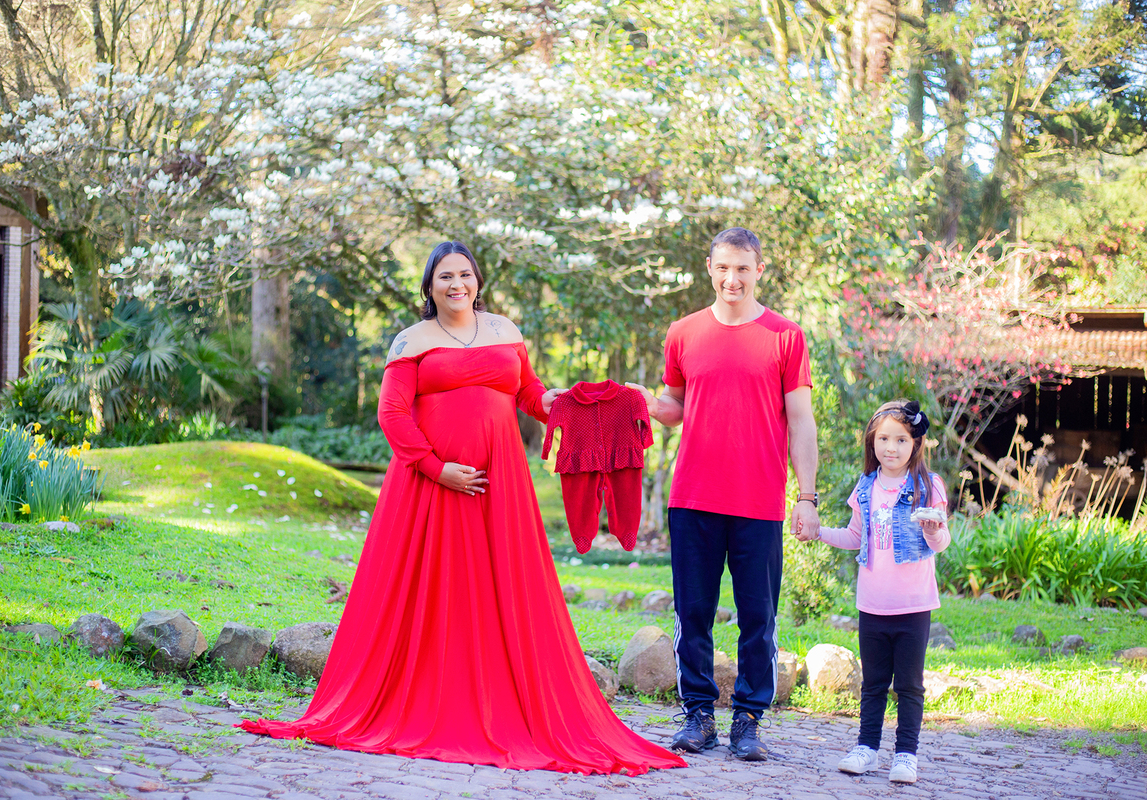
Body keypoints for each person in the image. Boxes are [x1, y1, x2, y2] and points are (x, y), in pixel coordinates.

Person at [239, 241, 685, 776]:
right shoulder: (411, 341)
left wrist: (586, 402)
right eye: (445, 277)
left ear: (478, 281)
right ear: (428, 286)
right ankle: (428, 695)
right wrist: (435, 467)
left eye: (466, 275)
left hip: (500, 485)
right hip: (429, 487)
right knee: (431, 587)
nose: (457, 285)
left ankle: (502, 698)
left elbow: (531, 396)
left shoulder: (504, 332)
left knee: (500, 585)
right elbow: (392, 412)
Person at [628, 227, 819, 761]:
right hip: (692, 498)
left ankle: (749, 721)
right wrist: (633, 401)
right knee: (693, 613)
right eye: (723, 268)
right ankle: (698, 716)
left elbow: (802, 422)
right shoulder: (683, 332)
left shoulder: (786, 336)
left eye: (743, 268)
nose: (732, 278)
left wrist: (807, 496)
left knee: (759, 616)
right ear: (709, 269)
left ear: (760, 269)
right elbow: (674, 405)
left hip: (757, 502)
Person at [795, 399, 951, 784]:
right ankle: (866, 748)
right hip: (872, 605)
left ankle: (906, 755)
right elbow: (854, 536)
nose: (891, 447)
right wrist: (818, 533)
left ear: (915, 443)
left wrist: (933, 530)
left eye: (900, 439)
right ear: (872, 441)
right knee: (874, 682)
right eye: (883, 438)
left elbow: (942, 540)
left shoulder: (928, 486)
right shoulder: (866, 486)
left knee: (910, 684)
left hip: (914, 606)